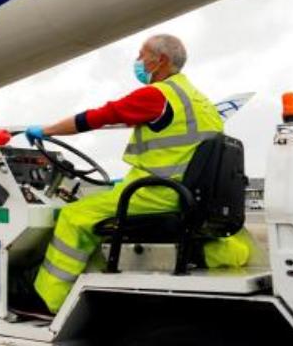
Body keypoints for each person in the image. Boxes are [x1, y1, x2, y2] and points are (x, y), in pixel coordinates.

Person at [22, 34, 251, 314]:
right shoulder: (200, 101)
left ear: (161, 61)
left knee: (73, 217)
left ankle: (49, 299)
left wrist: (46, 131)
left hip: (159, 193)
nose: (138, 62)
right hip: (188, 193)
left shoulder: (156, 95)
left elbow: (98, 117)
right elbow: (185, 155)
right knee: (104, 205)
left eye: (142, 56)